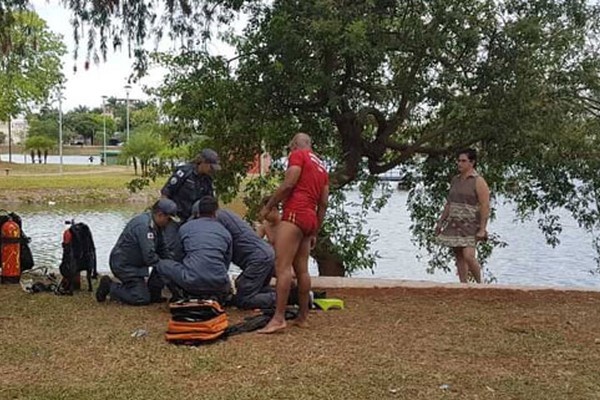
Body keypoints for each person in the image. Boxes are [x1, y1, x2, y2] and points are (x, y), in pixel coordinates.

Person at [257, 132, 329, 334]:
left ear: (295, 145)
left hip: (295, 213)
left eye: (290, 148)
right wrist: (315, 229)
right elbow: (323, 203)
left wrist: (270, 205)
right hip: (310, 218)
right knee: (302, 269)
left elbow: (289, 184)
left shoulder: (298, 155)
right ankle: (303, 317)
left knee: (283, 267)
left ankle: (278, 318)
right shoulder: (322, 166)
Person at [95, 199, 179, 305]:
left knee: (164, 264)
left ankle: (154, 292)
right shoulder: (144, 227)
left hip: (136, 264)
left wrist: (173, 265)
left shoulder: (157, 225)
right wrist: (168, 268)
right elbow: (150, 257)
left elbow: (163, 250)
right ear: (160, 214)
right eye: (169, 219)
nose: (170, 223)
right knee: (141, 298)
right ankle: (111, 286)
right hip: (124, 265)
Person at [152, 196, 233, 303]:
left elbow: (177, 256)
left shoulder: (185, 228)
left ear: (197, 212)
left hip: (191, 282)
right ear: (216, 213)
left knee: (162, 264)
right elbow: (226, 262)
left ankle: (176, 294)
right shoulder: (225, 232)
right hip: (218, 283)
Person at [435, 148, 490, 283]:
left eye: (463, 161)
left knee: (469, 256)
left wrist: (482, 228)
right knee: (459, 255)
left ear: (472, 162)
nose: (460, 163)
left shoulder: (478, 181)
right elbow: (449, 203)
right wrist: (441, 222)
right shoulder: (455, 180)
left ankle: (480, 285)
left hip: (471, 224)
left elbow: (485, 205)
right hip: (455, 223)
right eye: (459, 161)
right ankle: (463, 286)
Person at [213, 207, 276, 310]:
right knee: (257, 289)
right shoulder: (224, 214)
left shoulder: (213, 220)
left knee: (244, 299)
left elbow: (223, 258)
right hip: (264, 253)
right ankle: (296, 294)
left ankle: (291, 298)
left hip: (258, 259)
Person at [160, 148, 221, 221]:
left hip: (193, 219)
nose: (212, 170)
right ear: (203, 162)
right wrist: (165, 214)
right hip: (176, 217)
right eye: (211, 167)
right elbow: (166, 192)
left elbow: (210, 201)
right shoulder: (184, 172)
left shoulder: (208, 180)